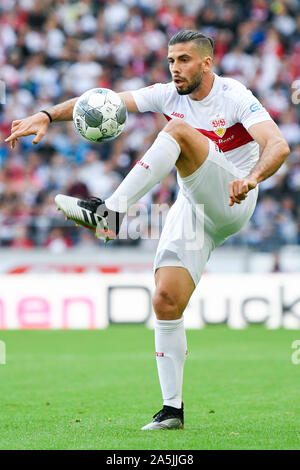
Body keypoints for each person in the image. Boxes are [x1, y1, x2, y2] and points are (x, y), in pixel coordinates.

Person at [5, 30, 290, 430]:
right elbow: (102, 102)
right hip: (192, 208)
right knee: (165, 301)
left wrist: (252, 178)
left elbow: (278, 146)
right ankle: (172, 410)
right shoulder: (166, 93)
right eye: (172, 60)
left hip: (232, 198)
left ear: (207, 63)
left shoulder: (234, 95)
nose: (175, 68)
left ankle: (111, 212)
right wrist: (47, 115)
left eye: (185, 60)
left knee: (175, 131)